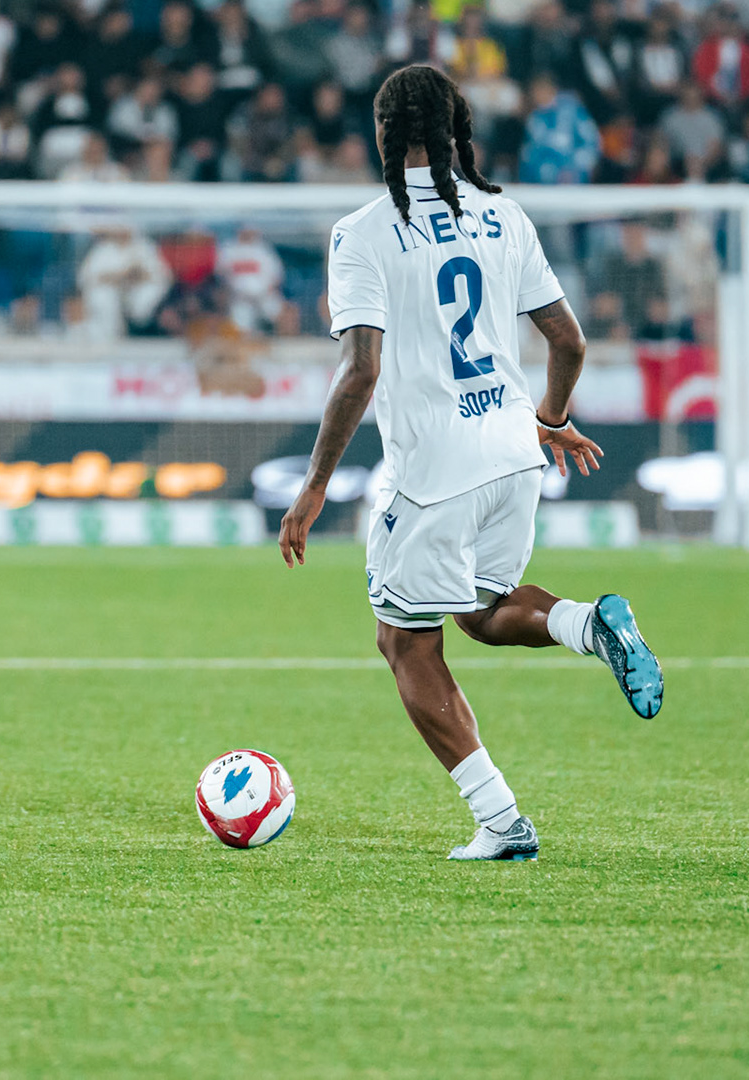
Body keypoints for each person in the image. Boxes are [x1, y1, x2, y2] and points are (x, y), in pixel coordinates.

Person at [277, 64, 664, 865]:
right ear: (457, 129)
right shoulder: (504, 214)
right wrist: (548, 421)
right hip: (513, 454)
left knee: (403, 641)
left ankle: (501, 821)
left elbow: (360, 370)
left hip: (435, 469)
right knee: (483, 610)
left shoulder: (363, 232)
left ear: (382, 134)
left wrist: (314, 486)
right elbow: (569, 341)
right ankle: (587, 623)